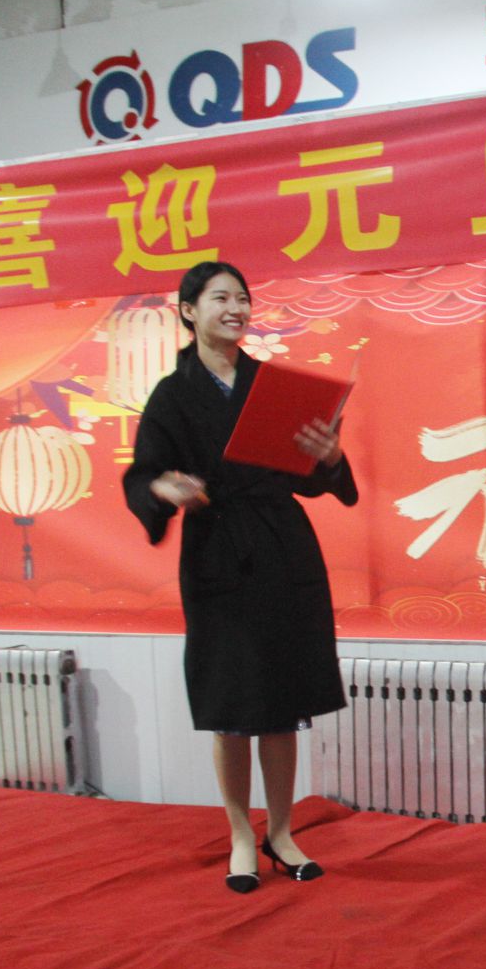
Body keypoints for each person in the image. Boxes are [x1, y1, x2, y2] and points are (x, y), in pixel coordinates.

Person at [123, 260, 358, 895]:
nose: (236, 309)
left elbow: (311, 479)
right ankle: (239, 836)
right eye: (220, 298)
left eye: (243, 299)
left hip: (283, 552)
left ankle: (281, 831)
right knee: (231, 705)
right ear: (188, 310)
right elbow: (142, 475)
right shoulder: (172, 395)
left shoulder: (272, 387)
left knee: (282, 702)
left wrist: (330, 458)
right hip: (217, 557)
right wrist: (165, 488)